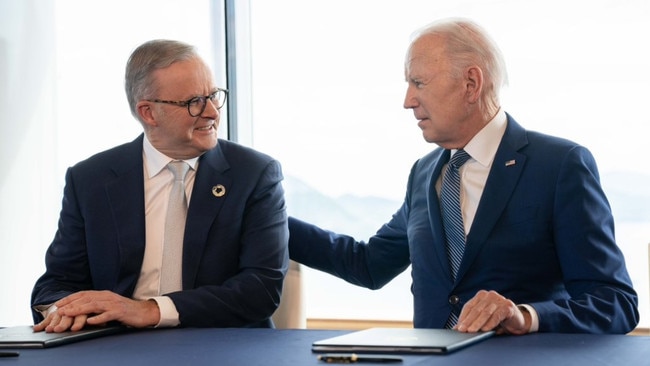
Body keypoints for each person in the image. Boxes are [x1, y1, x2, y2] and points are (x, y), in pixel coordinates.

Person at [288, 18, 639, 335]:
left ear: (471, 83)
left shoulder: (560, 165)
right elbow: (368, 265)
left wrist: (526, 317)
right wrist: (264, 215)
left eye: (418, 82)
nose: (408, 100)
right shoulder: (423, 173)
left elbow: (615, 303)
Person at [31, 39, 289, 332]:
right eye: (194, 102)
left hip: (221, 343)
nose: (213, 112)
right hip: (115, 347)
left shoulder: (254, 174)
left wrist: (150, 310)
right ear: (148, 112)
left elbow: (261, 289)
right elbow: (58, 282)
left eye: (213, 96)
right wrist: (62, 310)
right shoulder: (90, 179)